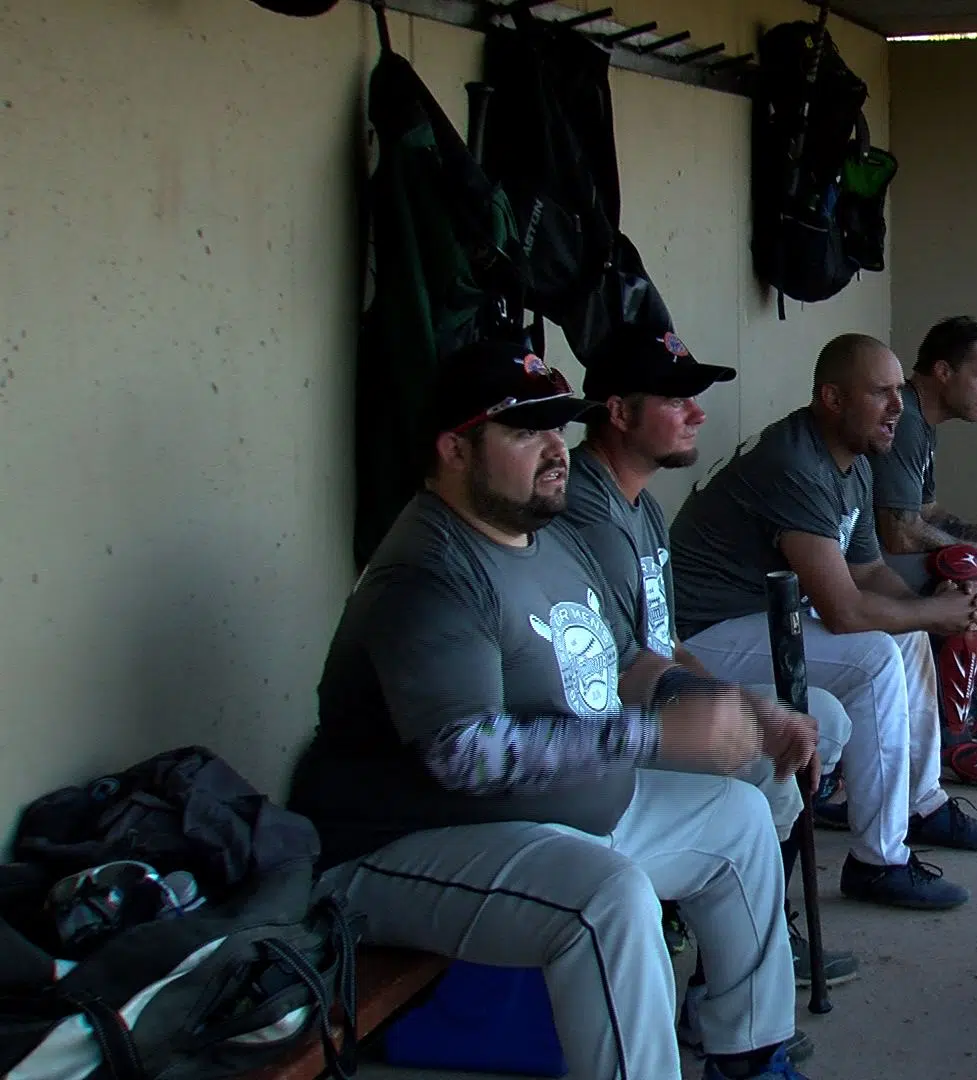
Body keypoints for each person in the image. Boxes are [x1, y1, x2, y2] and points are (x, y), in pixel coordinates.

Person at [287, 338, 818, 1080]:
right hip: (395, 846)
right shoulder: (429, 572)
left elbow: (626, 663)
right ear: (455, 450)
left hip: (548, 819)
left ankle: (750, 1058)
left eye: (557, 427)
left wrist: (739, 709)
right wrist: (653, 737)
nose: (555, 448)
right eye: (523, 429)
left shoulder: (548, 539)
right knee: (608, 902)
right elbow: (464, 753)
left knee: (738, 822)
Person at [559, 321, 862, 1006]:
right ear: (618, 412)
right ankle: (721, 977)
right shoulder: (585, 510)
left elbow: (667, 644)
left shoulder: (639, 506)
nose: (698, 412)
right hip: (609, 734)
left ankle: (736, 924)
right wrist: (738, 713)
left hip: (658, 699)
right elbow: (621, 670)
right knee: (771, 773)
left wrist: (746, 702)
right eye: (675, 399)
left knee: (822, 722)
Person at [669, 332, 977, 913]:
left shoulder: (852, 461)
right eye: (880, 393)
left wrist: (931, 609)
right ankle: (879, 862)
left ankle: (919, 803)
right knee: (875, 652)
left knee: (901, 639)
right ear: (831, 397)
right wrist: (935, 613)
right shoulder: (796, 462)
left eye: (898, 392)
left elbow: (870, 571)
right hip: (701, 635)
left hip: (761, 617)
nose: (898, 407)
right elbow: (845, 611)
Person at [870, 316, 977, 752]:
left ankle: (963, 707)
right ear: (943, 372)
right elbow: (900, 534)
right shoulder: (901, 418)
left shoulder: (922, 423)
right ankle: (950, 732)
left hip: (874, 556)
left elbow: (927, 512)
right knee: (971, 568)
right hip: (850, 567)